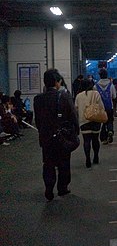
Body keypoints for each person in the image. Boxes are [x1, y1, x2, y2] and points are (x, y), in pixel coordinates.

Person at [34, 69, 78, 201]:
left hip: (46, 137)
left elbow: (38, 120)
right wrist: (75, 133)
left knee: (48, 163)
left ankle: (49, 188)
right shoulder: (64, 97)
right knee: (64, 163)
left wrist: (43, 132)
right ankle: (62, 188)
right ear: (57, 82)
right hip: (62, 136)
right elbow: (73, 116)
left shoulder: (38, 99)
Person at [74, 79, 102, 168]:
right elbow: (101, 106)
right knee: (95, 139)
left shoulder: (78, 96)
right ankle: (96, 157)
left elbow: (76, 109)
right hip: (95, 120)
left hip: (84, 121)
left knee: (86, 141)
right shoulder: (96, 93)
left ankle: (87, 159)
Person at [95, 69, 116, 144]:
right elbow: (114, 96)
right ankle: (110, 130)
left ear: (100, 76)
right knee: (110, 121)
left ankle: (103, 138)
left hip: (100, 108)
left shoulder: (96, 86)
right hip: (109, 107)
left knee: (102, 123)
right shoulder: (111, 85)